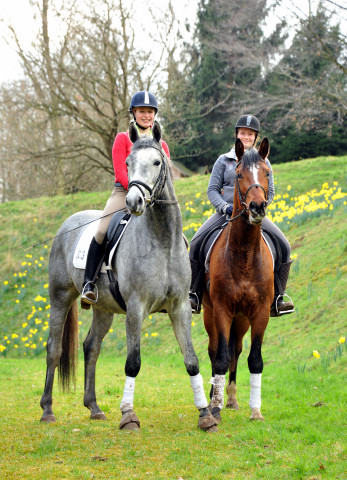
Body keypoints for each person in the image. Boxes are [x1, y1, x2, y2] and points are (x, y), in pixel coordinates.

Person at [189, 114, 294, 317]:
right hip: (226, 213)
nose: (246, 137)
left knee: (285, 246)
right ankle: (193, 294)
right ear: (237, 135)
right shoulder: (224, 160)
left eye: (250, 134)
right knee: (195, 243)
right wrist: (225, 208)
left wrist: (258, 207)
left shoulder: (264, 162)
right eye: (243, 133)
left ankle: (279, 297)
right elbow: (212, 190)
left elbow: (269, 192)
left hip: (254, 214)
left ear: (255, 137)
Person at [80, 91, 170, 309]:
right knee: (102, 230)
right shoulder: (123, 138)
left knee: (175, 234)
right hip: (124, 192)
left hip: (153, 198)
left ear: (154, 114)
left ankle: (175, 286)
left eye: (150, 112)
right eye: (142, 111)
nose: (146, 115)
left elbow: (166, 176)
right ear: (134, 113)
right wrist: (134, 189)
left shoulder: (162, 145)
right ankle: (89, 283)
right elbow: (120, 169)